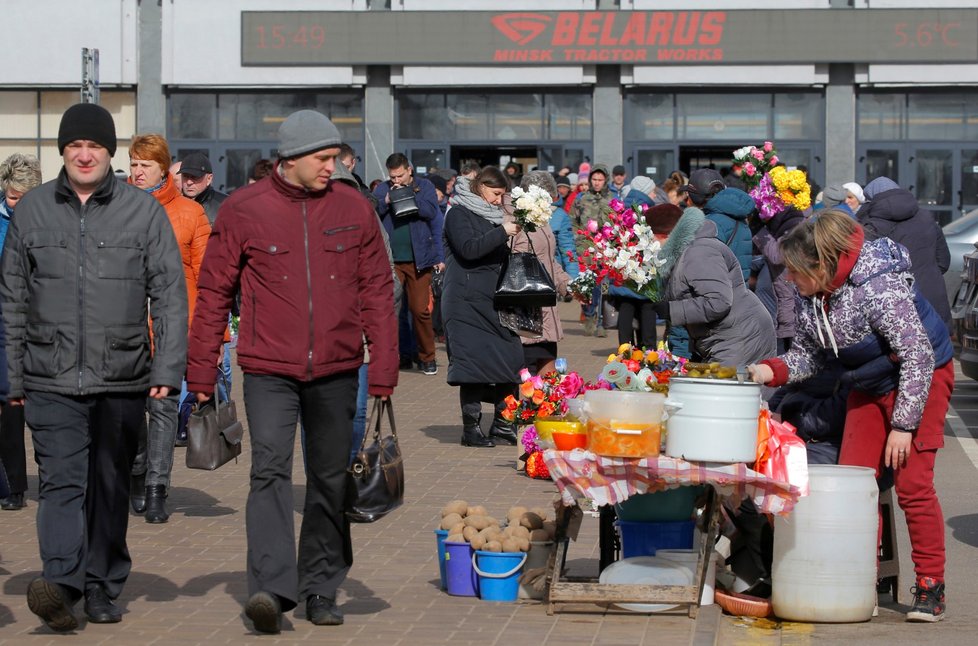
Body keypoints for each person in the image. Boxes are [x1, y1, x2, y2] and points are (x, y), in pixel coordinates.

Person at [186, 110, 397, 633]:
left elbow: (377, 289)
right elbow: (213, 292)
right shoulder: (243, 210)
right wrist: (201, 370)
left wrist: (387, 368)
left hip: (338, 367)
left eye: (334, 157)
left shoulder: (353, 206)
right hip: (267, 369)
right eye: (324, 158)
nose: (334, 166)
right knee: (269, 473)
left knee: (329, 479)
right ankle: (270, 589)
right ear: (292, 159)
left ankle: (320, 587)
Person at [1, 103, 187, 631]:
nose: (85, 154)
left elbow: (170, 297)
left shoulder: (143, 212)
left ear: (111, 153)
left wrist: (166, 372)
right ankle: (61, 584)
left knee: (108, 487)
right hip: (49, 375)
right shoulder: (32, 210)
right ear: (63, 151)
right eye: (75, 145)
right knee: (61, 483)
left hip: (123, 375)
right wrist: (11, 378)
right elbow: (11, 300)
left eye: (96, 146)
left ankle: (103, 585)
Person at [748, 209, 953, 622]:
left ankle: (931, 587)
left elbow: (917, 354)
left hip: (921, 380)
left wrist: (903, 426)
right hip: (870, 382)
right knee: (856, 482)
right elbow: (808, 355)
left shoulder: (878, 287)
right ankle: (860, 579)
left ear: (821, 266)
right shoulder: (814, 298)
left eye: (794, 271)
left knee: (913, 485)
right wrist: (772, 369)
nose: (789, 279)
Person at [128, 134, 212, 523]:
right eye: (133, 164)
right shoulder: (114, 206)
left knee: (161, 406)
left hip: (170, 325)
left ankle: (156, 487)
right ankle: (138, 469)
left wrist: (200, 334)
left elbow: (205, 278)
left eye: (145, 164)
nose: (137, 171)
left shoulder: (190, 213)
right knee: (129, 409)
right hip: (122, 328)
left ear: (165, 168)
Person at [442, 167, 524, 448]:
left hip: (494, 300)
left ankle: (503, 424)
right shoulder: (458, 213)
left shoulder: (494, 216)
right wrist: (502, 232)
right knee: (472, 365)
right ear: (480, 187)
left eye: (503, 196)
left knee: (511, 358)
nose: (499, 201)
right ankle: (471, 428)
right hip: (464, 302)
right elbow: (468, 248)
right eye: (495, 194)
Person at [662, 216, 776, 366]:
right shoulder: (686, 252)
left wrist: (673, 311)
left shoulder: (698, 252)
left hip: (739, 337)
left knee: (731, 388)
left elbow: (719, 302)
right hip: (727, 335)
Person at [373, 153, 443, 375]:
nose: (396, 181)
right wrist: (387, 201)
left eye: (400, 176)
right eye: (392, 177)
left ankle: (427, 357)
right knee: (394, 312)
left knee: (420, 310)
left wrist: (407, 196)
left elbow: (432, 213)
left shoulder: (425, 186)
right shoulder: (382, 189)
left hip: (419, 259)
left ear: (409, 170)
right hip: (391, 260)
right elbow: (372, 213)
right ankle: (401, 355)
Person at [0, 153, 41, 512]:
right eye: (13, 197)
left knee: (45, 409)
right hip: (5, 327)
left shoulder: (47, 219)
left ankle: (55, 476)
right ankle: (14, 486)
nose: (18, 204)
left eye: (25, 197)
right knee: (10, 408)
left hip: (43, 326)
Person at [857, 176, 952, 331]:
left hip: (895, 307)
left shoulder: (870, 226)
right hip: (933, 301)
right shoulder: (926, 217)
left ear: (871, 201)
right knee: (937, 352)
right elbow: (943, 261)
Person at [511, 171, 572, 378]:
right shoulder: (515, 219)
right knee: (527, 373)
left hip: (546, 305)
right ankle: (525, 409)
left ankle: (546, 408)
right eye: (547, 198)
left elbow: (549, 259)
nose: (551, 204)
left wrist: (567, 284)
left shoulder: (541, 219)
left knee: (548, 369)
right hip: (526, 307)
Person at [687, 169, 755, 282]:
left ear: (694, 198)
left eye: (688, 196)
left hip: (718, 295)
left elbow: (703, 271)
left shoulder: (709, 225)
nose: (687, 201)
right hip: (740, 293)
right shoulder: (738, 217)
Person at [571, 163, 613, 337]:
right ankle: (589, 316)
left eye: (600, 179)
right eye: (594, 179)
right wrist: (577, 240)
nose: (596, 183)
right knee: (588, 284)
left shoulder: (612, 199)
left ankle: (602, 322)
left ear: (605, 180)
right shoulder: (581, 198)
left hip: (605, 249)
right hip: (585, 248)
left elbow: (619, 223)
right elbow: (573, 221)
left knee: (603, 286)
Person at [178, 151, 227, 226]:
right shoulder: (172, 205)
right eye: (185, 176)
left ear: (209, 179)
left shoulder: (226, 206)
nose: (189, 182)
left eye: (195, 177)